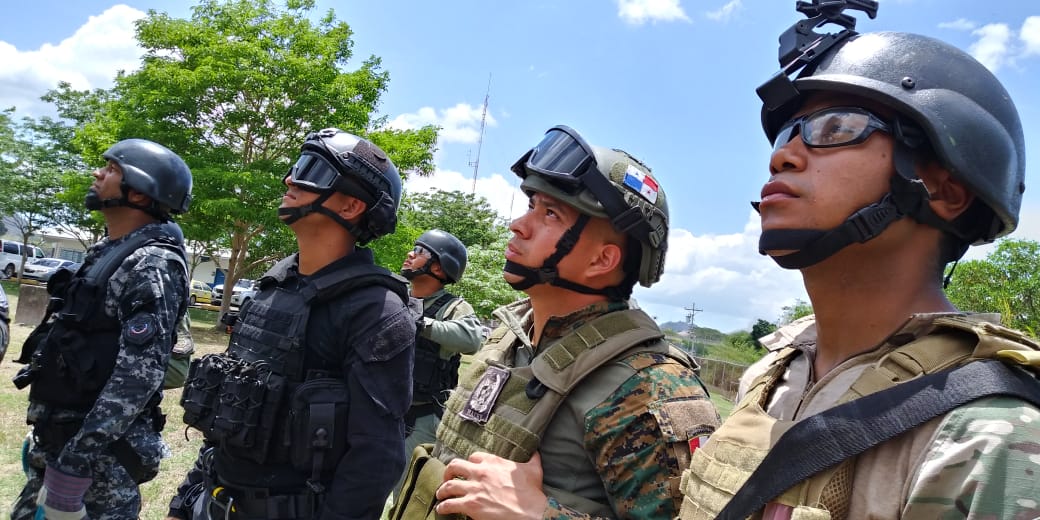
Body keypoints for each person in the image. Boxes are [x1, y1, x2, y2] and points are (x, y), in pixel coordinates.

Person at [678, 2, 1040, 519]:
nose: (783, 156)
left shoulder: (986, 437)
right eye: (787, 134)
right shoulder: (772, 374)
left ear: (944, 189)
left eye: (835, 127)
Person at [393, 125, 721, 519]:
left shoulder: (650, 389)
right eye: (532, 205)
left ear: (603, 260)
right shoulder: (510, 338)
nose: (518, 224)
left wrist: (537, 514)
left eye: (551, 213)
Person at [167, 128, 418, 520]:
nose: (290, 179)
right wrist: (184, 502)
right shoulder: (272, 288)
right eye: (296, 166)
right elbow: (229, 415)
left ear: (352, 206)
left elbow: (376, 458)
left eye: (312, 171)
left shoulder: (377, 310)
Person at [10, 138, 193, 519]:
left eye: (112, 169)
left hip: (98, 467)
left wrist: (76, 460)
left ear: (141, 194)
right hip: (62, 446)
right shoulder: (109, 251)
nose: (98, 173)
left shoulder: (152, 263)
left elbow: (138, 378)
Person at [397, 230, 482, 480]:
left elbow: (471, 340)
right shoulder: (397, 296)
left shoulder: (454, 307)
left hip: (420, 418)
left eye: (421, 251)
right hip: (382, 409)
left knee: (407, 495)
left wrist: (420, 323)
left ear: (439, 268)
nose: (410, 254)